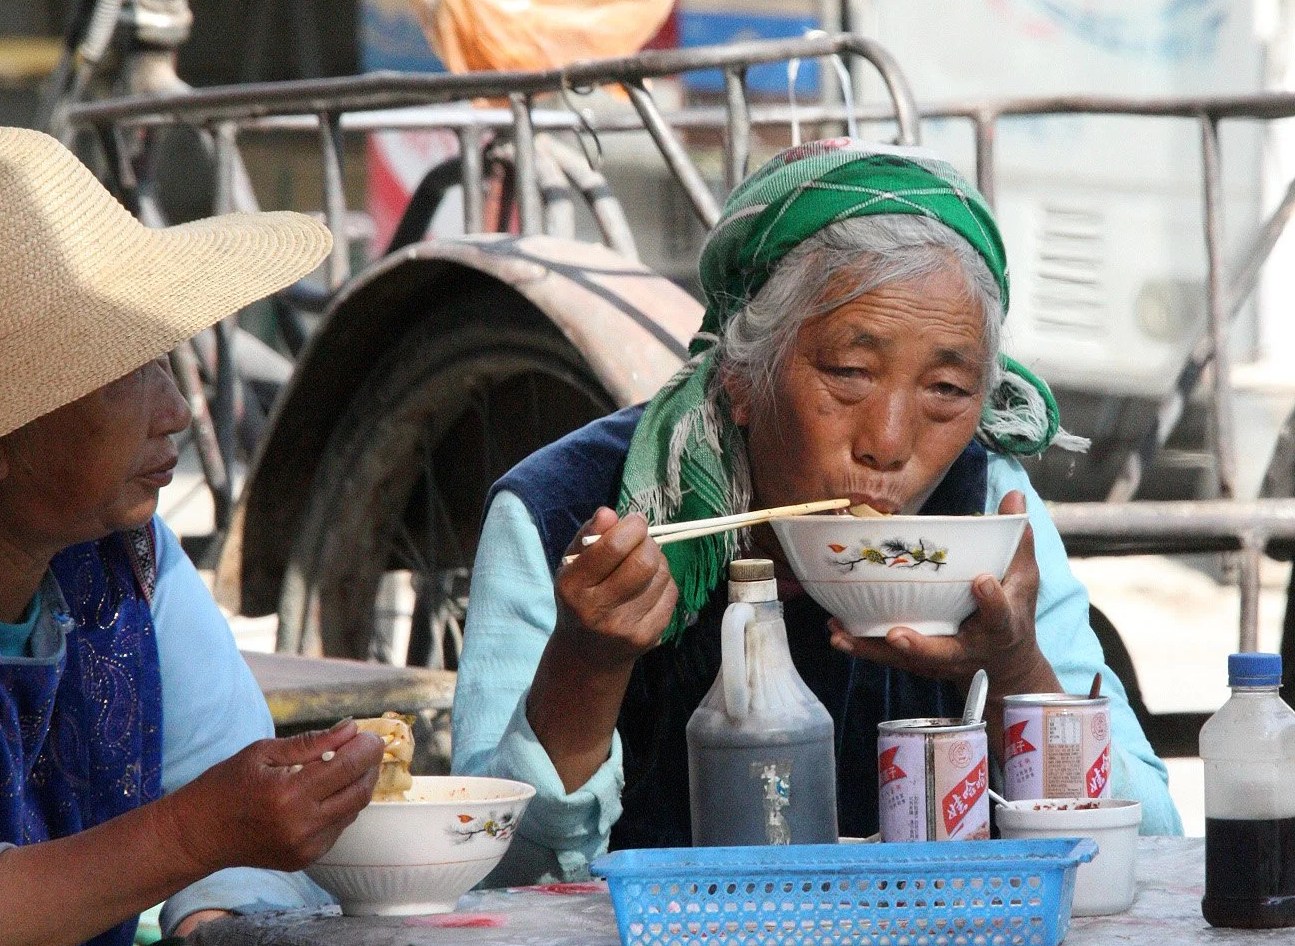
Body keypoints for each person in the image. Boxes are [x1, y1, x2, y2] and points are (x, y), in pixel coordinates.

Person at [452, 139, 1181, 883]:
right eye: (849, 373)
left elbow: (1153, 840)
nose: (890, 444)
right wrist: (586, 665)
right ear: (740, 376)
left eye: (947, 391)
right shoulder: (563, 511)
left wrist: (1014, 666)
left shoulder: (986, 505)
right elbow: (492, 876)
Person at [0, 128, 384, 946]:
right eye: (126, 373)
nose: (175, 411)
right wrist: (187, 837)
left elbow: (246, 841)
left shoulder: (131, 564)